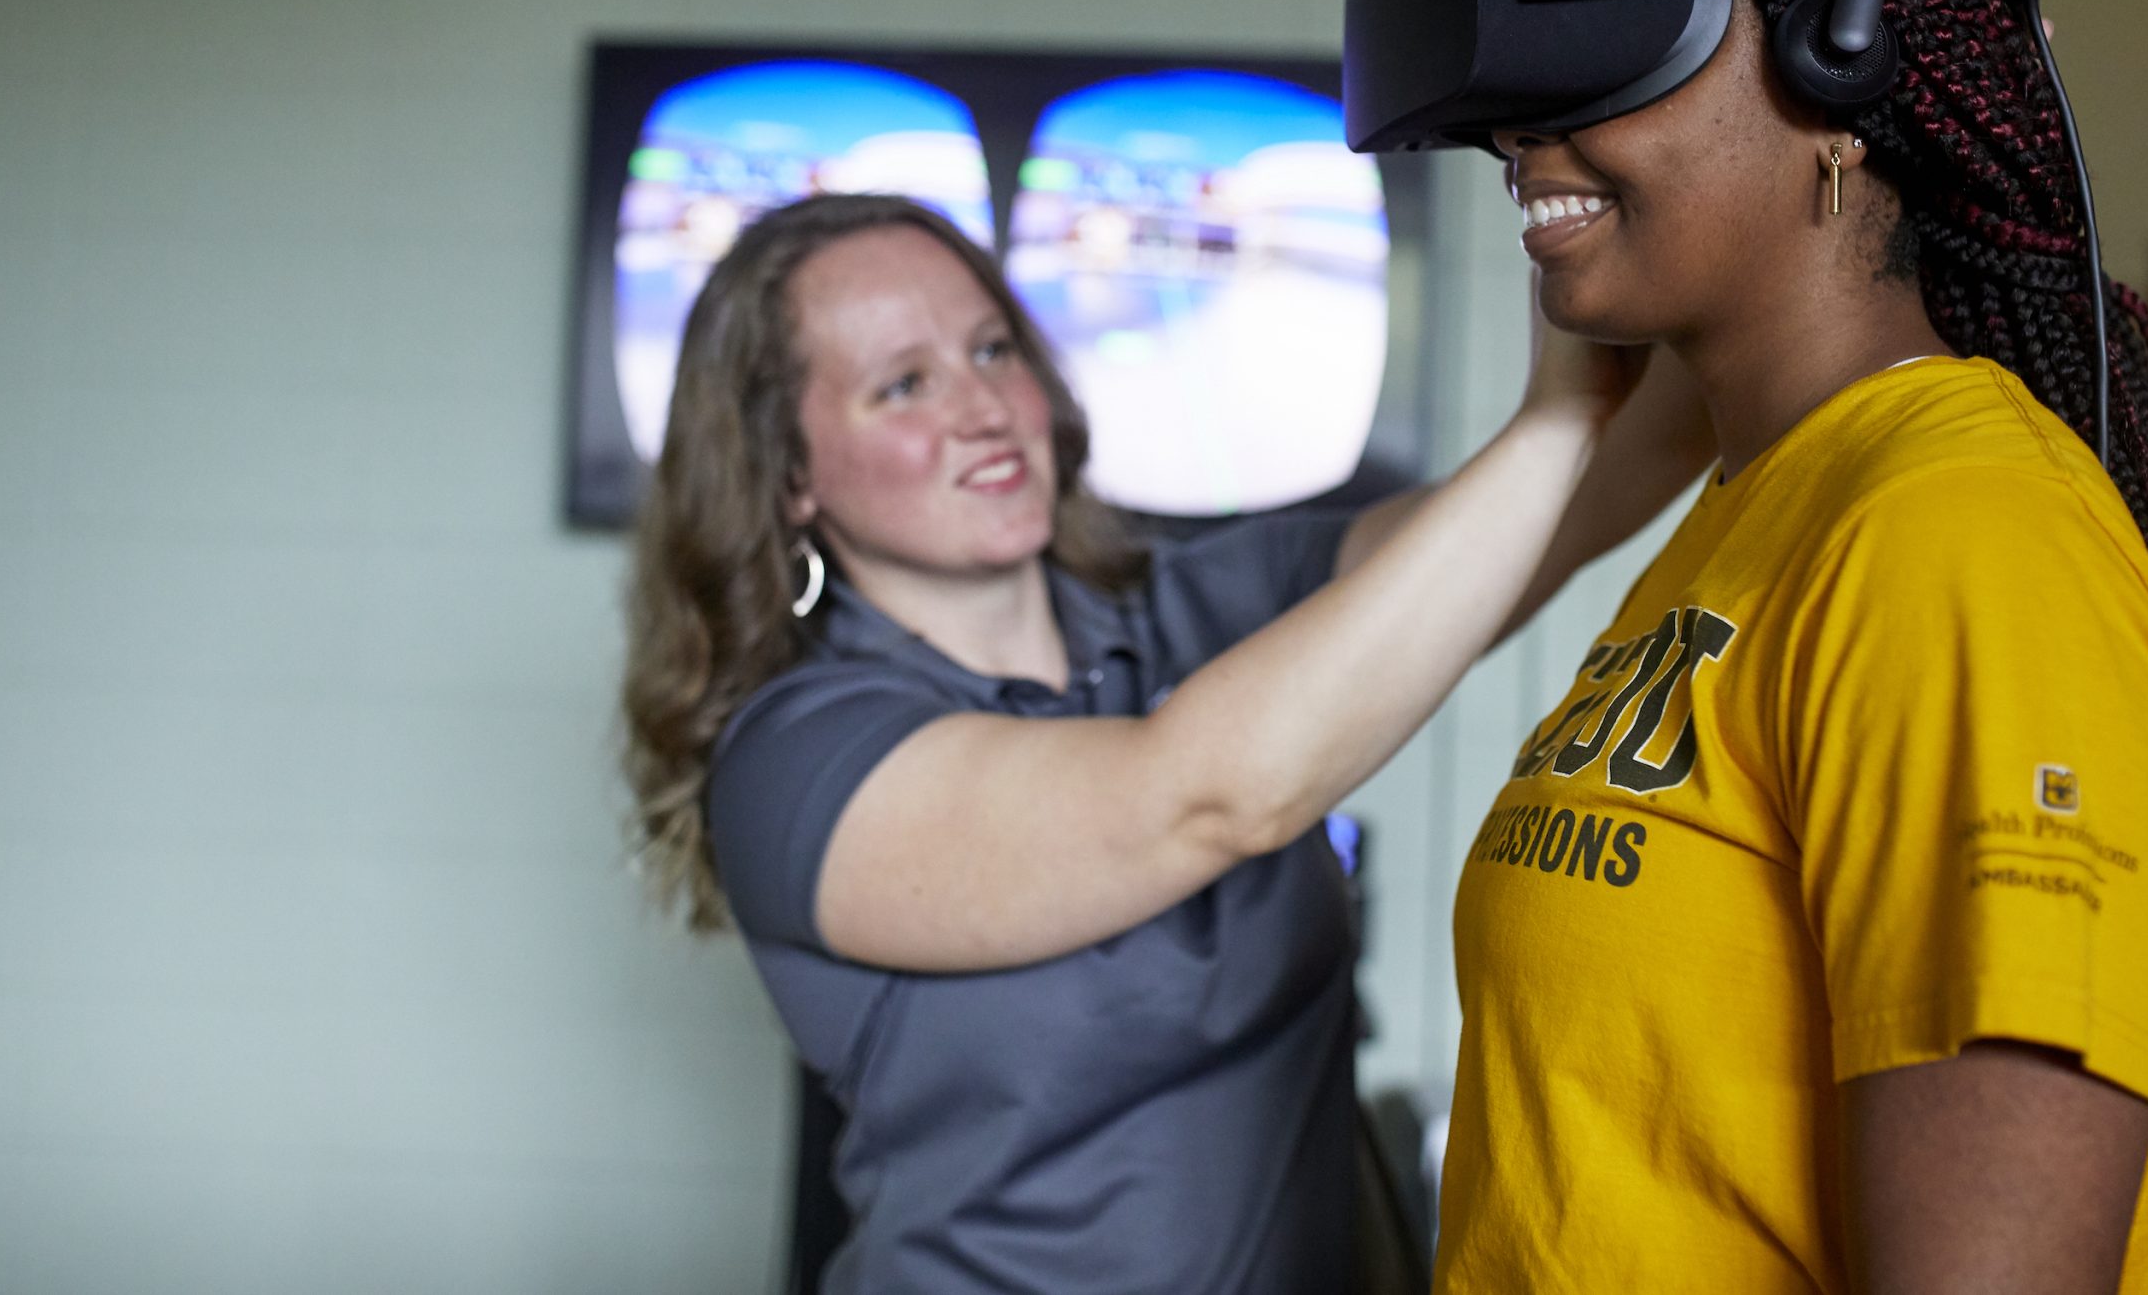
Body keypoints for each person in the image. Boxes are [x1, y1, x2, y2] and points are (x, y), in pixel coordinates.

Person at [1425, 0, 2148, 1295]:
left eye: (1614, 29)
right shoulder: (1763, 507)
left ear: (1844, 78)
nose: (1524, 127)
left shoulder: (1963, 543)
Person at [618, 190, 1713, 1293]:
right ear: (791, 477)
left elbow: (1573, 502)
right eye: (904, 384)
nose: (985, 407)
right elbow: (1206, 798)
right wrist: (1555, 414)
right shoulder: (796, 763)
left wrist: (1706, 230)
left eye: (993, 350)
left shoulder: (1201, 607)